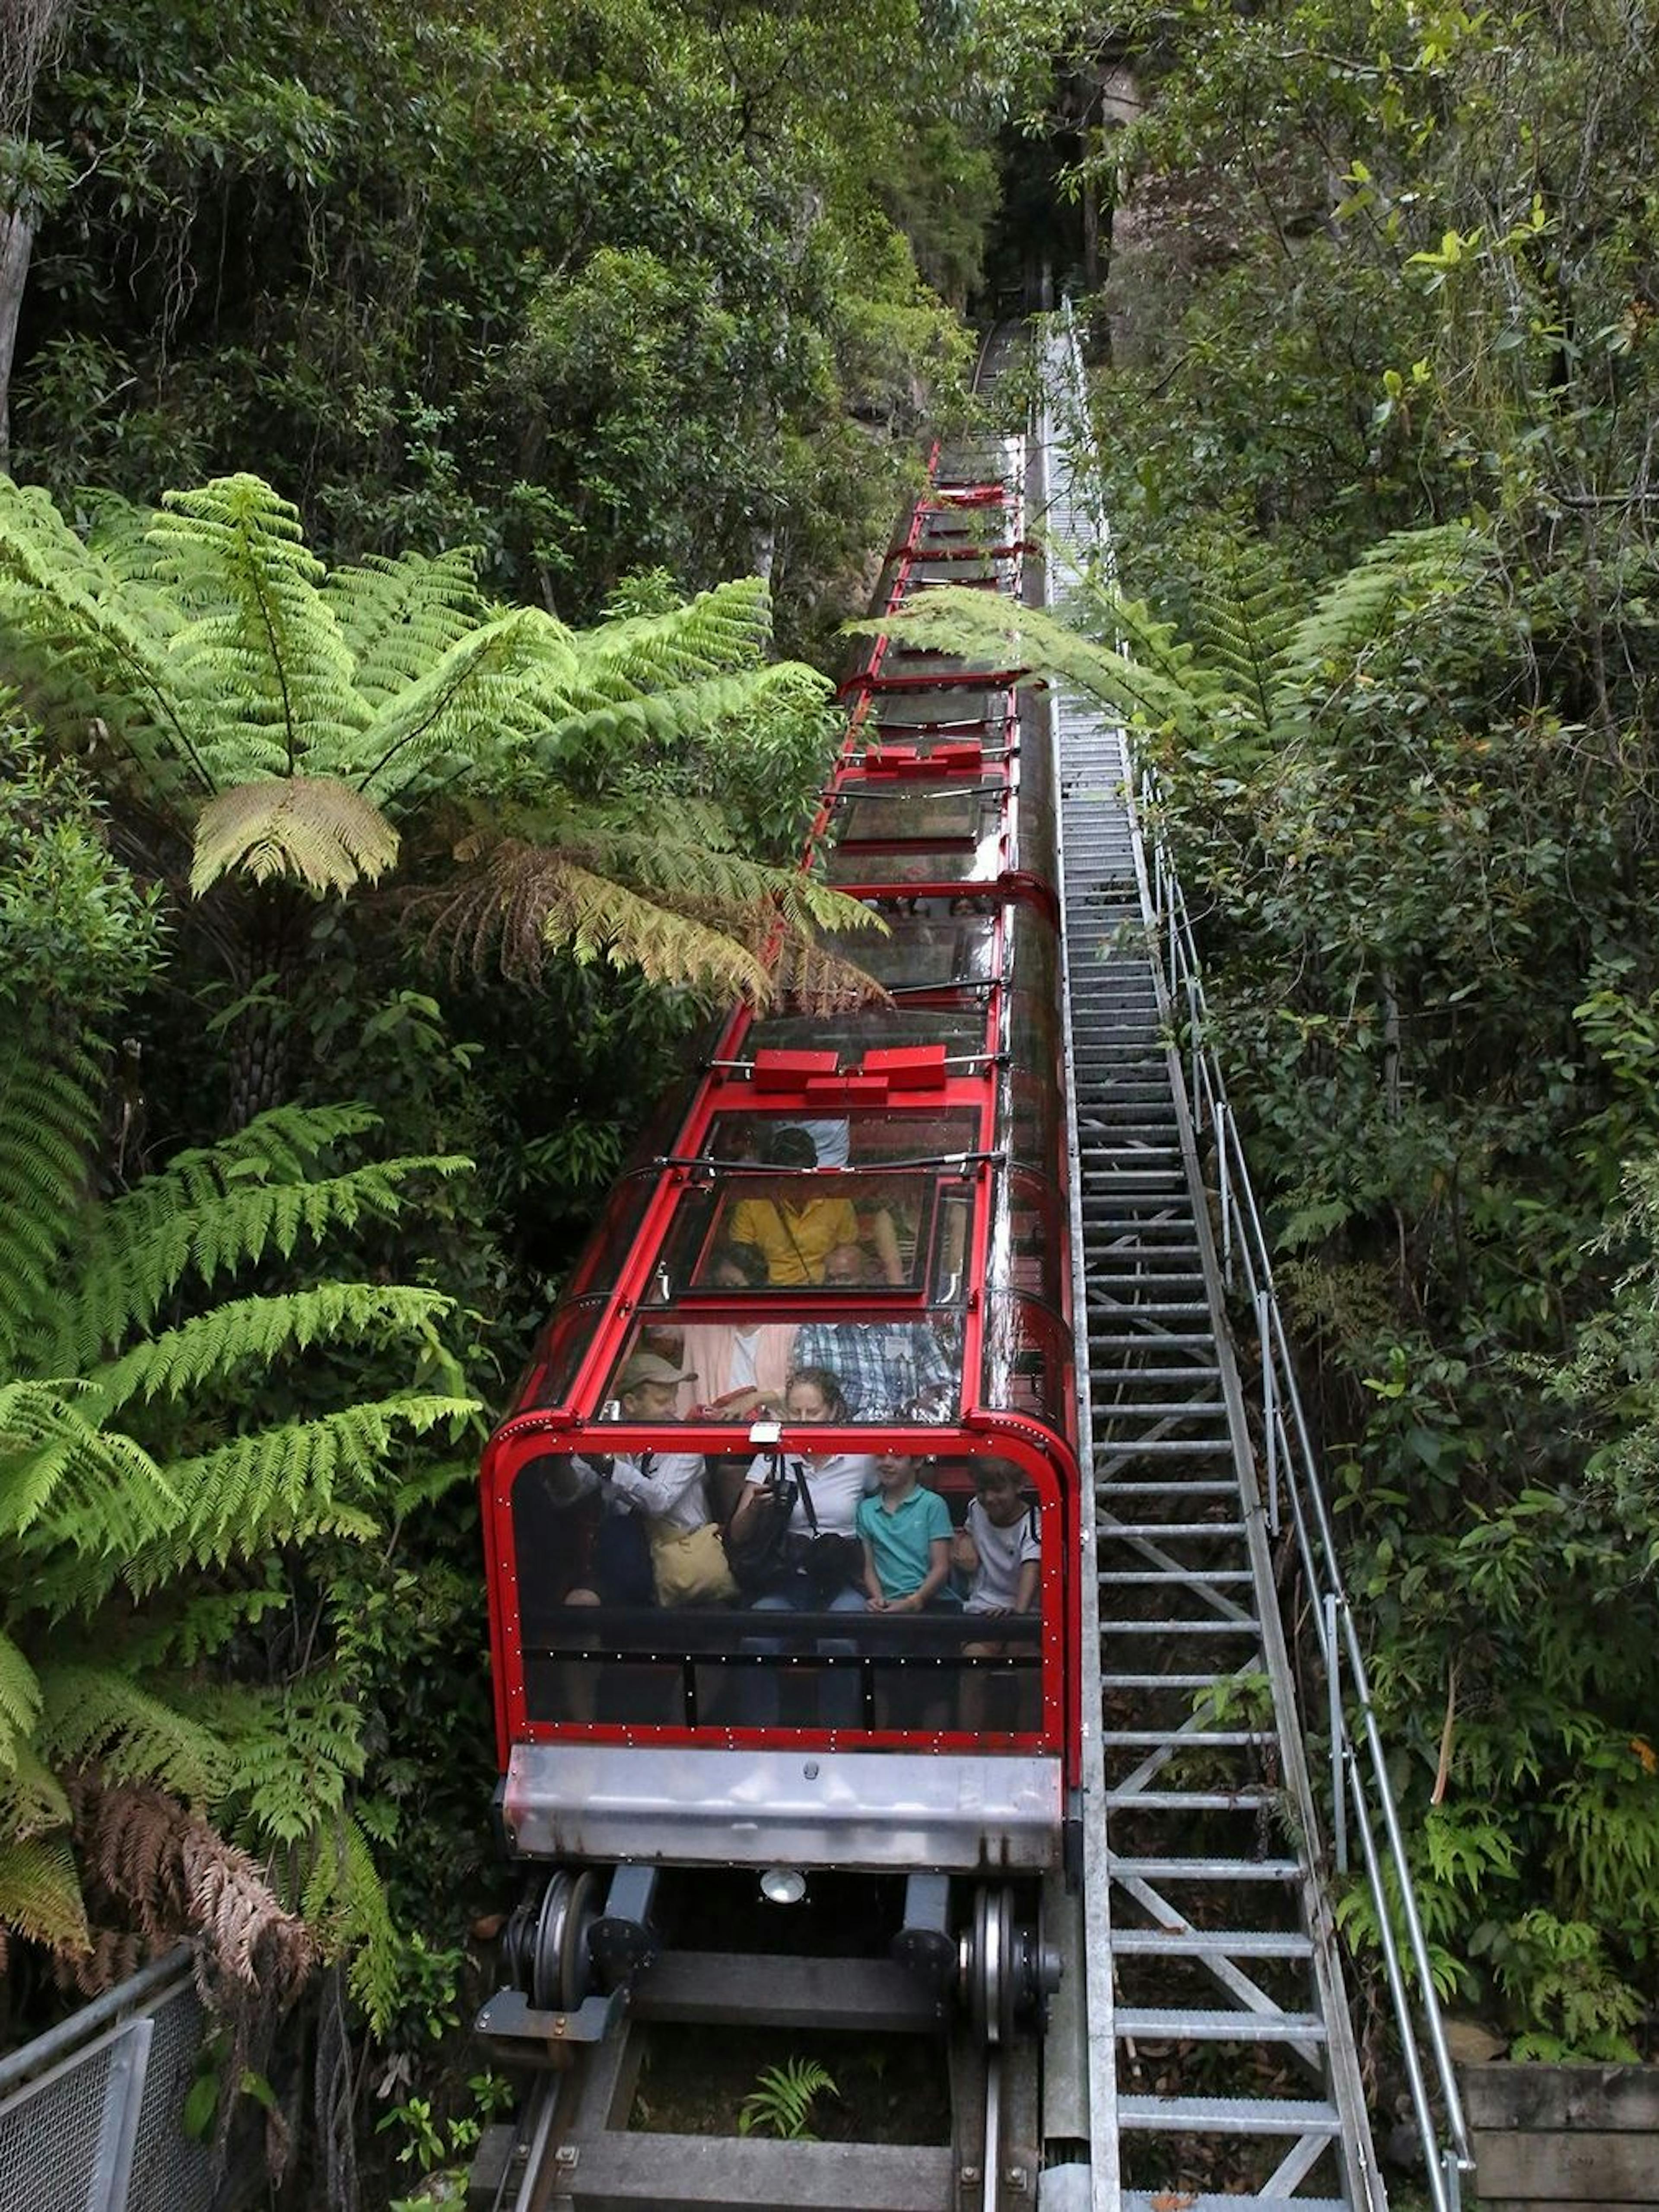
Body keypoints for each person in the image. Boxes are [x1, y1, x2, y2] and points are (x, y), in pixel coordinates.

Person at [734, 1368, 876, 1725]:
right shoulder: (772, 1456)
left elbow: (892, 1500)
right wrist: (755, 1508)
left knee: (839, 1644)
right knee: (755, 1641)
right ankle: (763, 1747)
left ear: (834, 1411)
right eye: (795, 1412)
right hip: (789, 1577)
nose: (803, 1421)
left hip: (843, 1577)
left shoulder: (860, 1457)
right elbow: (737, 1534)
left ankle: (838, 1745)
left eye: (812, 1413)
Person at [791, 1242, 955, 1418]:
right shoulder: (815, 1331)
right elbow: (808, 1396)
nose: (838, 1287)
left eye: (846, 1279)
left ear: (870, 1277)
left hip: (907, 1430)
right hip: (846, 1435)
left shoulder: (906, 1322)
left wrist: (919, 1412)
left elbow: (941, 1384)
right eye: (832, 1279)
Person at [953, 1458, 1042, 1731]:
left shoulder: (1033, 1523)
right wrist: (965, 1545)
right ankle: (969, 1747)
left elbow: (1032, 1568)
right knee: (973, 1665)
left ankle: (1029, 1747)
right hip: (985, 1609)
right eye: (982, 1491)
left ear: (1020, 1487)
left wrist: (1017, 1614)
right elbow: (967, 1534)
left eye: (998, 1490)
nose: (989, 1499)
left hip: (1022, 1614)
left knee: (1030, 1671)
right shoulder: (975, 1509)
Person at [676, 1241, 796, 1419]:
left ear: (756, 1286)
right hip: (712, 1430)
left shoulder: (788, 1328)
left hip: (770, 1430)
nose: (726, 1293)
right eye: (721, 1286)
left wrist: (754, 1400)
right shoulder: (703, 1325)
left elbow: (800, 1392)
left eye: (734, 1285)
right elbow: (659, 1329)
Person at [727, 1125, 860, 1285]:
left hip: (821, 1291)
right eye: (787, 1177)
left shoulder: (838, 1202)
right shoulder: (752, 1202)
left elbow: (849, 1250)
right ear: (773, 1173)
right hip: (767, 1293)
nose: (794, 1184)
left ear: (814, 1166)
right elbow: (739, 1247)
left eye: (801, 1176)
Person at [856, 1454, 953, 1612]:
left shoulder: (933, 1504)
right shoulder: (866, 1509)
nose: (887, 1463)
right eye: (881, 1456)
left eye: (897, 1456)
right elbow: (869, 1567)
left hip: (931, 1601)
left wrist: (914, 1601)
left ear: (917, 1461)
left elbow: (941, 1567)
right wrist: (878, 1599)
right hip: (887, 1604)